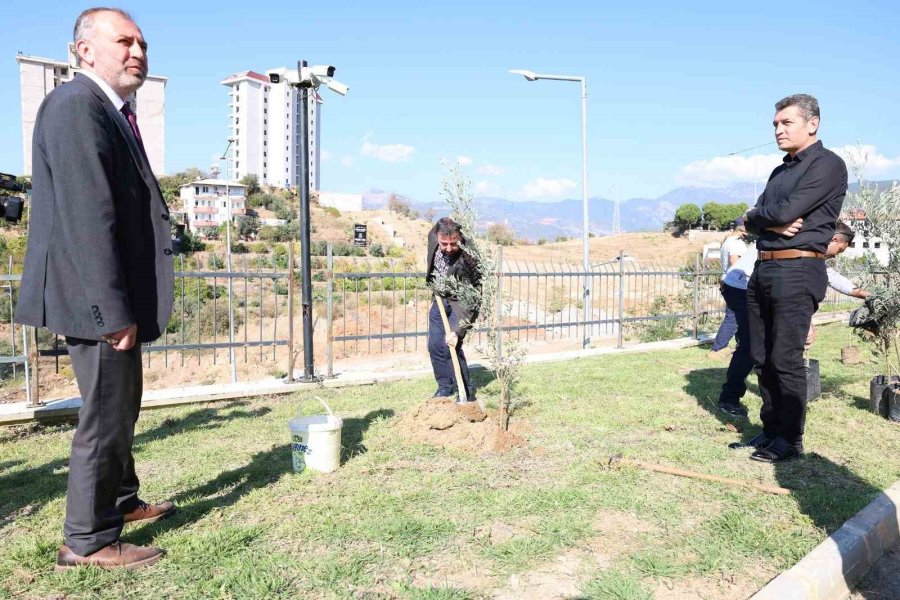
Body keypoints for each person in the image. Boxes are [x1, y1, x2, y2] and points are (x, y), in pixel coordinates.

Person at [15, 8, 175, 569]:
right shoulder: (77, 107)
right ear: (83, 50)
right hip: (94, 298)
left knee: (120, 404)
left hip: (105, 294)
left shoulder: (107, 110)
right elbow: (88, 218)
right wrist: (110, 311)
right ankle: (86, 540)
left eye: (143, 43)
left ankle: (122, 501)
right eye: (123, 41)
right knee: (104, 414)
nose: (138, 51)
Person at [740, 93, 847, 463]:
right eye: (775, 124)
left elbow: (785, 210)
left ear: (812, 123)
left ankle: (790, 439)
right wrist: (762, 219)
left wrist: (760, 217)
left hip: (798, 269)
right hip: (764, 265)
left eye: (787, 123)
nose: (778, 130)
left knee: (784, 358)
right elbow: (750, 219)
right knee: (759, 354)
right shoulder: (779, 171)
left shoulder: (828, 164)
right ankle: (770, 430)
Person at [718, 221, 866, 419]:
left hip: (751, 287)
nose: (835, 255)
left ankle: (769, 397)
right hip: (741, 287)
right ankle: (729, 399)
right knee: (751, 346)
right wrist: (807, 323)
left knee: (761, 346)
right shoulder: (798, 240)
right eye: (838, 250)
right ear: (834, 239)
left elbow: (826, 273)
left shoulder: (809, 245)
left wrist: (863, 293)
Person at [425, 217, 481, 403]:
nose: (448, 248)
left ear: (460, 238)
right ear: (438, 236)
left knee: (451, 344)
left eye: (453, 243)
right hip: (440, 298)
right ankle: (444, 388)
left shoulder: (469, 256)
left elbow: (472, 299)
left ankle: (465, 391)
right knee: (435, 345)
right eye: (444, 243)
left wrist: (457, 331)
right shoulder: (433, 236)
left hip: (461, 303)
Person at [710, 218, 751, 352]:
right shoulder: (736, 244)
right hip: (738, 284)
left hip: (727, 281)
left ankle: (741, 345)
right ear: (741, 228)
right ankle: (719, 347)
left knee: (740, 316)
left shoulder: (728, 241)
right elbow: (735, 262)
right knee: (733, 317)